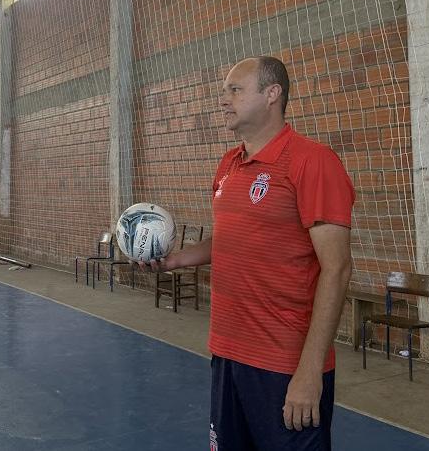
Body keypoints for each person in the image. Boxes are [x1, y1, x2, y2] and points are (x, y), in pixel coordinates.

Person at [142, 56, 354, 450]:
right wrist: (175, 260)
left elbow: (337, 269)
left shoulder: (312, 161)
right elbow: (233, 239)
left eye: (235, 90)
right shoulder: (229, 164)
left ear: (272, 94)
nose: (223, 99)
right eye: (224, 91)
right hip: (227, 354)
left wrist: (310, 371)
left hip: (283, 363)